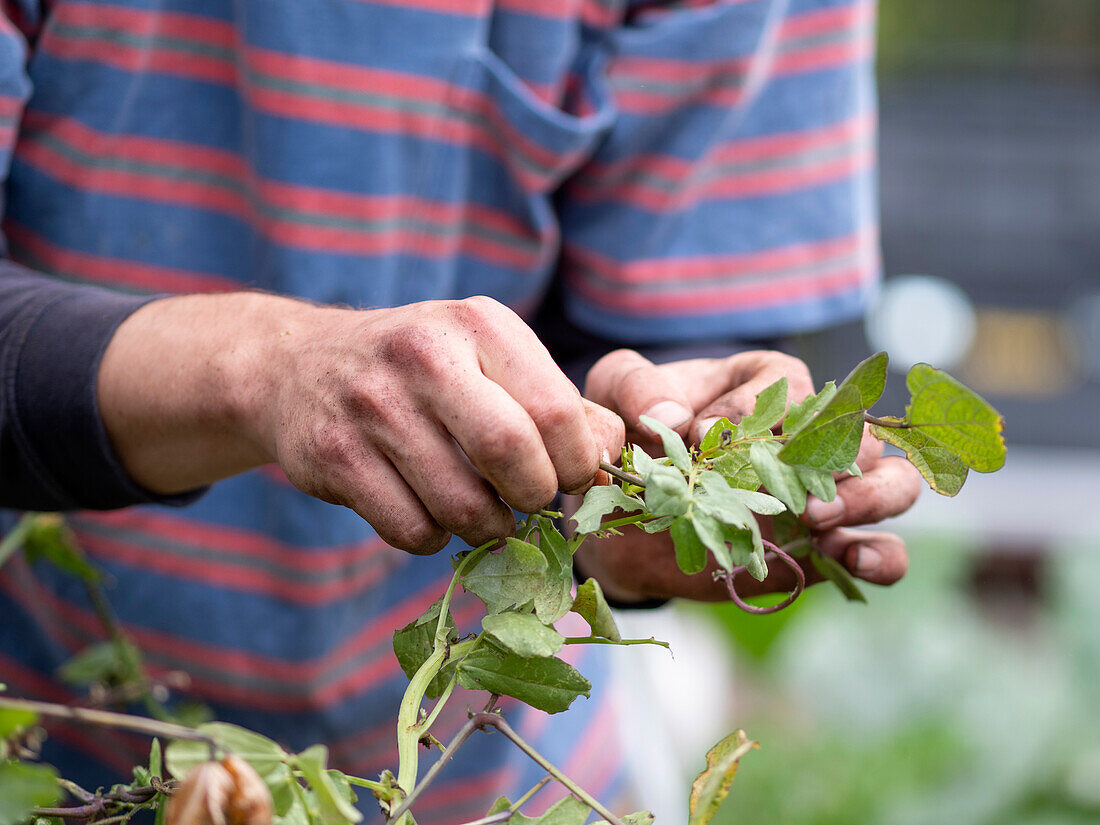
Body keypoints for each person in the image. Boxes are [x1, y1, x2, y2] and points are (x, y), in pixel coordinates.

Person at [0, 0, 919, 818]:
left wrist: (667, 487)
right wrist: (264, 371)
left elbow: (680, 325)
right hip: (46, 742)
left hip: (496, 778)